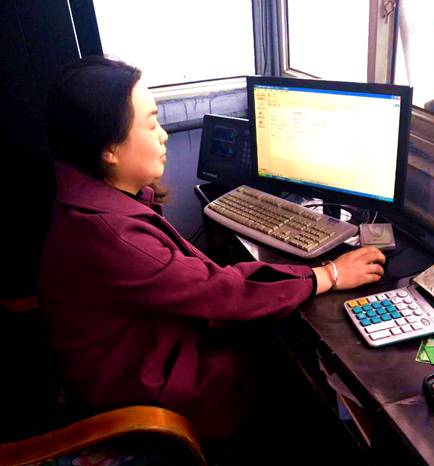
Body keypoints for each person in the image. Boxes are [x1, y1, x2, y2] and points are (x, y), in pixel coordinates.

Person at [39, 55, 385, 442]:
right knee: (289, 370)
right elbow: (219, 291)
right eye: (151, 124)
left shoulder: (86, 200)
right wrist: (328, 274)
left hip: (131, 360)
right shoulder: (112, 235)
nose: (163, 135)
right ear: (109, 149)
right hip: (141, 400)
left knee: (276, 338)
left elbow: (196, 282)